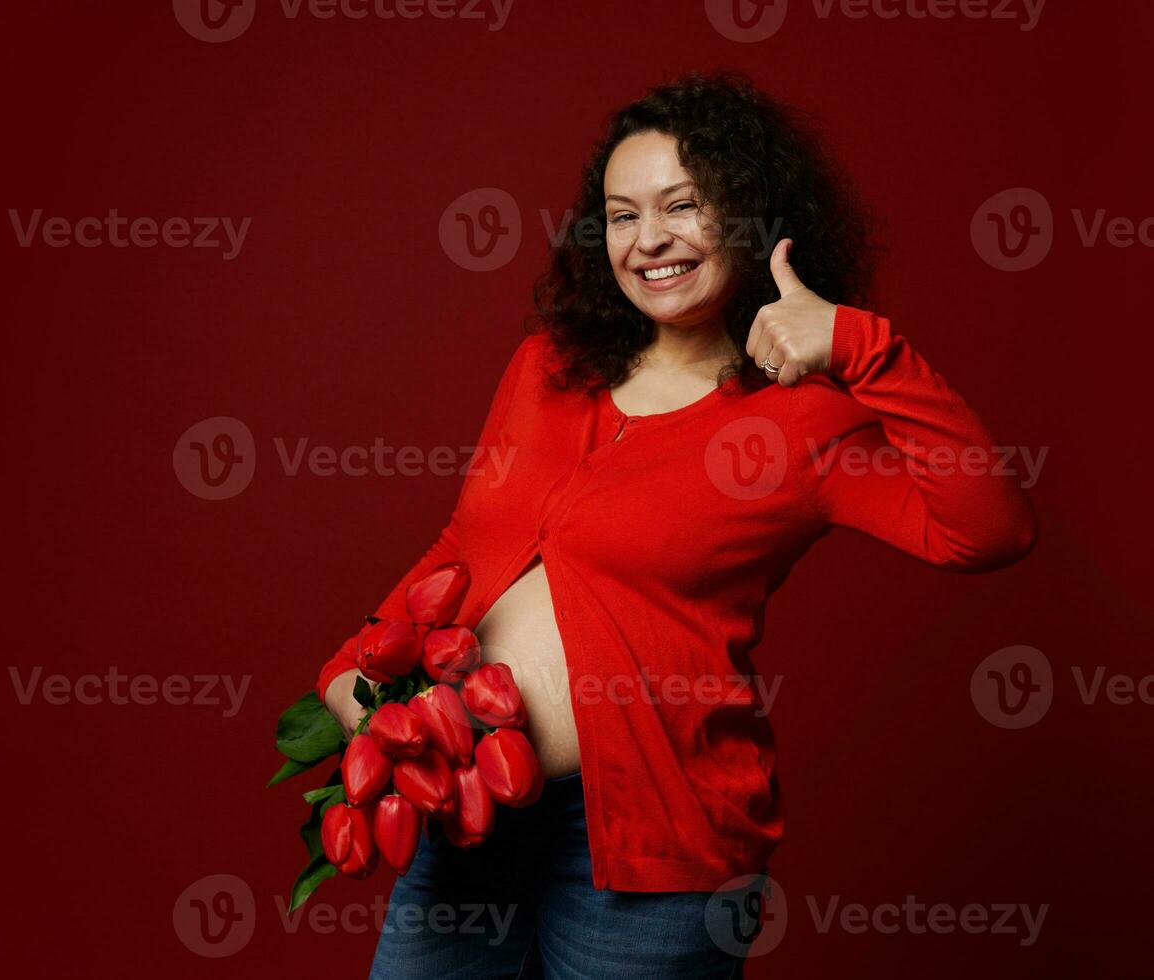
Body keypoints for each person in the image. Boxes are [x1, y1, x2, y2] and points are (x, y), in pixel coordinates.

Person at [316, 70, 1038, 977]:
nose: (649, 239)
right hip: (465, 809)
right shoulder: (548, 367)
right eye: (623, 214)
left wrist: (862, 345)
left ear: (751, 215)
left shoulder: (802, 421)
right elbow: (465, 549)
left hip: (658, 853)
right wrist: (358, 667)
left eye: (682, 206)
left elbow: (988, 529)